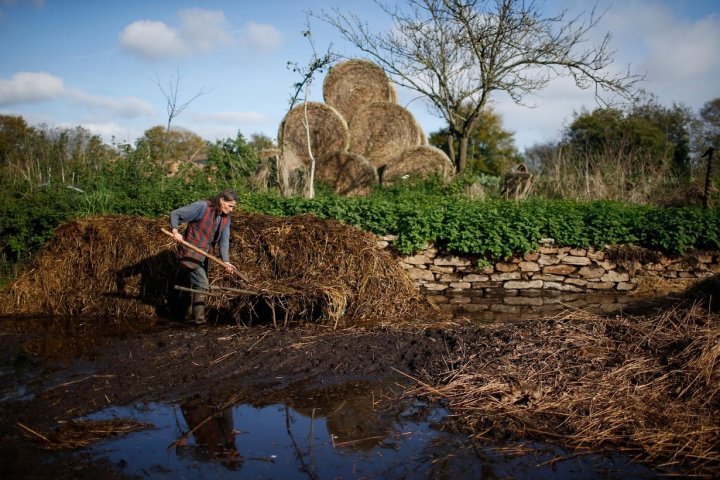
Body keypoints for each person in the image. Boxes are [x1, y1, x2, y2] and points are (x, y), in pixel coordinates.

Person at [169, 189, 238, 324]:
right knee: (202, 283)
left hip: (205, 254)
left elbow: (224, 242)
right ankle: (199, 320)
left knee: (198, 286)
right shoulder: (202, 207)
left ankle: (189, 316)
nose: (231, 210)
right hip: (191, 252)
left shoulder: (225, 218)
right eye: (230, 206)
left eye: (233, 207)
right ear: (222, 200)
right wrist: (175, 231)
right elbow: (175, 213)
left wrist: (226, 262)